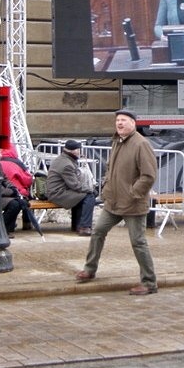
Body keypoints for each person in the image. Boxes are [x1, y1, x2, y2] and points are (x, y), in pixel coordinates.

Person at [75, 109, 159, 295]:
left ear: (133, 123)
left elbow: (149, 175)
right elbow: (110, 167)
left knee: (138, 242)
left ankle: (149, 282)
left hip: (133, 204)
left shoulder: (141, 144)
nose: (119, 123)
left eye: (124, 120)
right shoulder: (117, 141)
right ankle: (89, 270)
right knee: (98, 232)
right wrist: (107, 186)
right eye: (117, 120)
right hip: (113, 202)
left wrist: (133, 192)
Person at [46, 139, 97, 236]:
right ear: (75, 151)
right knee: (89, 196)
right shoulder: (67, 165)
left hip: (57, 192)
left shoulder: (63, 159)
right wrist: (90, 189)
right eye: (79, 150)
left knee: (83, 196)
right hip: (58, 194)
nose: (80, 152)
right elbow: (75, 185)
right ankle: (84, 227)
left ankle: (78, 225)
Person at [0, 146, 34, 238]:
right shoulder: (17, 164)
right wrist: (14, 189)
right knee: (23, 200)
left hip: (7, 192)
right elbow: (27, 180)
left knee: (17, 202)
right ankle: (26, 222)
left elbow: (5, 180)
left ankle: (9, 227)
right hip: (13, 192)